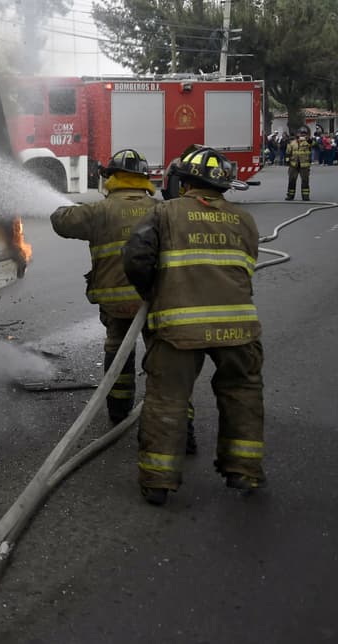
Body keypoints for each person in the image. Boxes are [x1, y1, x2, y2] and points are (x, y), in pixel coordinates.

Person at [122, 146, 265, 506]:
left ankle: (157, 481)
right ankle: (243, 471)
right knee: (242, 392)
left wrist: (152, 291)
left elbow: (137, 257)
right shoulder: (244, 220)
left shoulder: (164, 213)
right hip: (239, 328)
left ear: (182, 182)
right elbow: (246, 268)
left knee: (167, 398)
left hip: (178, 328)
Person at [50, 149, 169, 430]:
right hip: (157, 300)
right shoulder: (162, 210)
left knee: (118, 352)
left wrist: (59, 207)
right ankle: (174, 420)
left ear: (111, 179)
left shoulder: (98, 211)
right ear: (143, 179)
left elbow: (61, 222)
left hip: (117, 304)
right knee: (164, 357)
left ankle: (118, 412)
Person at [285, 126, 313, 201]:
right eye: (301, 133)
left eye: (304, 134)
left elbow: (313, 144)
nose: (302, 135)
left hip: (304, 165)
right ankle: (290, 196)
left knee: (305, 181)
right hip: (293, 165)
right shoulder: (292, 142)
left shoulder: (308, 142)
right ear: (298, 134)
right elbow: (288, 152)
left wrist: (308, 139)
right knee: (291, 180)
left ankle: (305, 196)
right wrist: (287, 161)